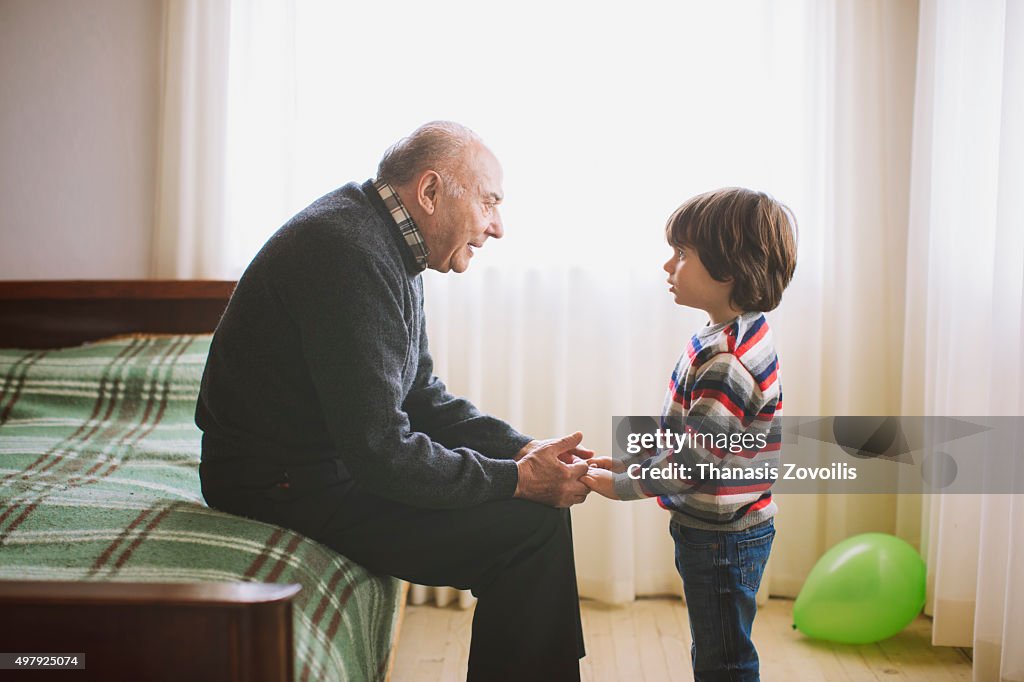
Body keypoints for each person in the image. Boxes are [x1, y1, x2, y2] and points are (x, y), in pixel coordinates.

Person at [196, 121, 593, 681]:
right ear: (429, 193)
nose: (497, 227)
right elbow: (381, 451)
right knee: (531, 529)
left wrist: (527, 450)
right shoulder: (349, 254)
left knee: (535, 520)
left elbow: (421, 396)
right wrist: (517, 478)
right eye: (489, 202)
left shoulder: (382, 238)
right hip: (278, 484)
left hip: (319, 465)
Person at [583, 188, 797, 681]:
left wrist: (619, 487)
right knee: (716, 644)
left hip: (724, 538)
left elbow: (693, 464)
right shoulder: (727, 335)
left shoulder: (727, 362)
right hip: (722, 527)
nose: (668, 266)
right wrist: (632, 464)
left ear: (728, 270)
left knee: (723, 658)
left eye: (682, 254)